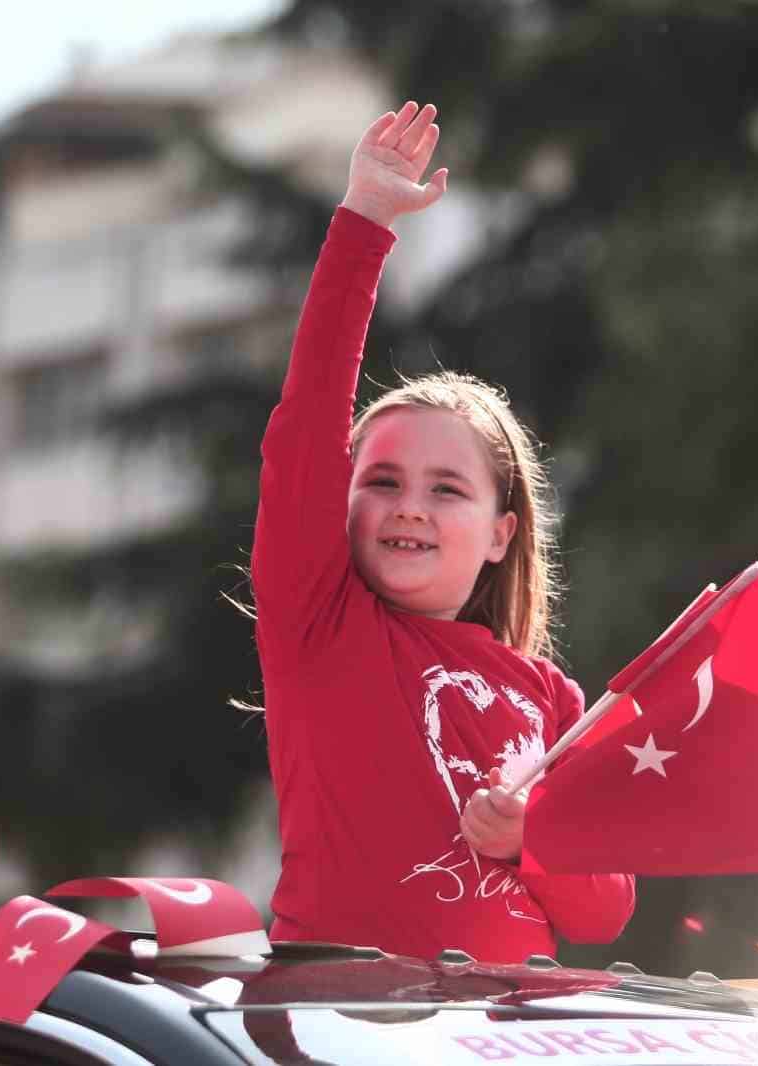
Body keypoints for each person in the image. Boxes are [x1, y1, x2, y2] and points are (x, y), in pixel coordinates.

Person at [252, 101, 635, 963]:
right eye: (380, 481)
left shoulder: (556, 702)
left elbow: (605, 913)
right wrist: (364, 223)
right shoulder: (321, 628)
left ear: (502, 534)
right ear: (340, 504)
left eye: (447, 488)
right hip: (332, 1029)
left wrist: (529, 836)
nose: (410, 506)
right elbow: (308, 424)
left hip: (499, 1043)